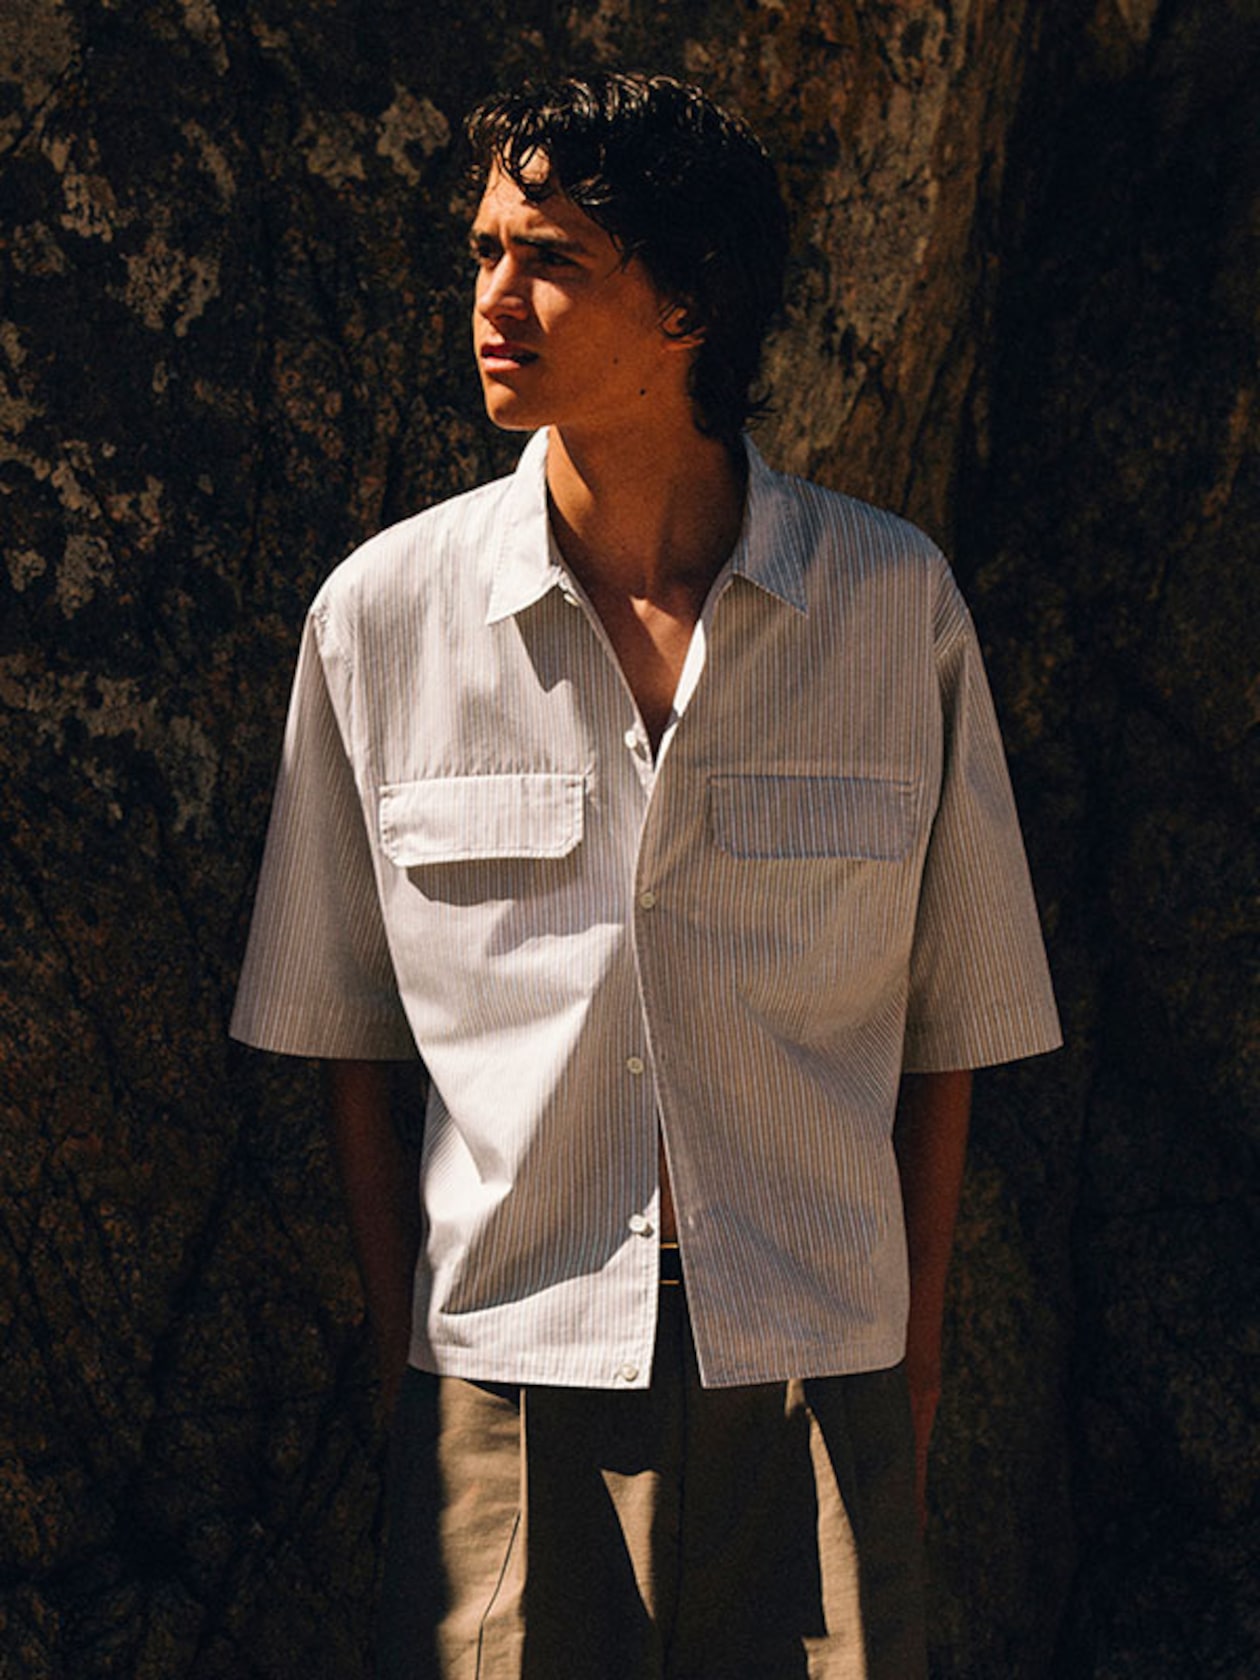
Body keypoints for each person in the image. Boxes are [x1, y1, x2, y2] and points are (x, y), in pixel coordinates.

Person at [231, 71, 1061, 1680]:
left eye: (549, 258)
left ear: (688, 301)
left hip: (822, 1369)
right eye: (482, 250)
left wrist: (916, 1364)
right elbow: (337, 1040)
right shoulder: (382, 621)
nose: (492, 299)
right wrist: (436, 1360)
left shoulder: (895, 611)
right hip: (502, 1385)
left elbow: (953, 1035)